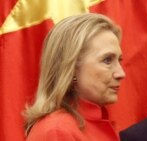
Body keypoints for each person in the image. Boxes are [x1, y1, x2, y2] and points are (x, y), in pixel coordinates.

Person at [23, 13, 126, 141]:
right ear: (71, 69)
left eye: (119, 60)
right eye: (107, 60)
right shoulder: (57, 131)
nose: (121, 73)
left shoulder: (85, 123)